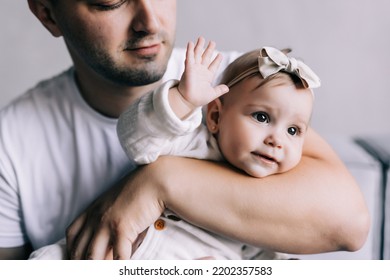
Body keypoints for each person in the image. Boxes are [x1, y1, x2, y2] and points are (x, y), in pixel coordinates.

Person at [0, 0, 369, 260]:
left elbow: (349, 224)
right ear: (48, 14)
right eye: (110, 1)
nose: (149, 20)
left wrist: (158, 183)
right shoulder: (12, 140)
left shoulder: (239, 81)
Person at [28, 39, 320, 259]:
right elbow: (136, 139)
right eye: (262, 117)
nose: (276, 139)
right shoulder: (193, 140)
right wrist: (181, 101)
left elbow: (271, 249)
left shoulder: (278, 196)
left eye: (293, 130)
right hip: (106, 252)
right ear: (216, 116)